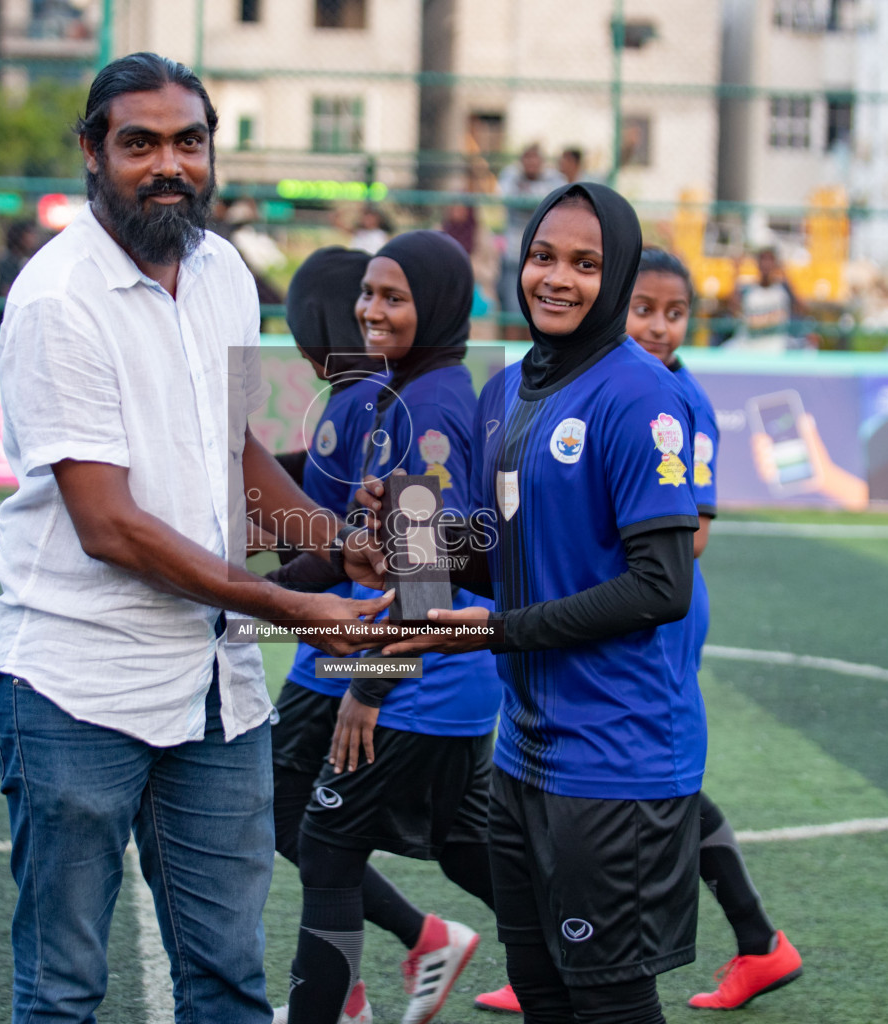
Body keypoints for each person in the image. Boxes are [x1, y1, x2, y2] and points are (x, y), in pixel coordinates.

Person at [0, 52, 392, 1024]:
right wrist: (289, 605)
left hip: (215, 699)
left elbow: (236, 446)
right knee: (65, 988)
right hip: (76, 688)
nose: (169, 164)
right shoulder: (55, 300)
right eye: (140, 144)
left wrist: (337, 542)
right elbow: (110, 525)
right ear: (93, 153)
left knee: (227, 983)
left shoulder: (223, 276)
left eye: (189, 142)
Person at [356, 183, 706, 1024]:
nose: (558, 278)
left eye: (586, 264)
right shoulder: (507, 389)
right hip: (525, 755)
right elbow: (506, 557)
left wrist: (500, 633)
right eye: (545, 257)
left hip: (616, 758)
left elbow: (663, 585)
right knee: (545, 995)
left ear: (614, 275)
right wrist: (405, 549)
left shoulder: (640, 395)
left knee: (612, 1003)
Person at [271, 233, 501, 1024]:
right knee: (465, 844)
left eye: (393, 298)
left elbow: (427, 576)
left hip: (415, 680)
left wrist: (367, 687)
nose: (371, 310)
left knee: (327, 846)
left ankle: (334, 1010)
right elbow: (379, 547)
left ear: (436, 307)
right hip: (418, 675)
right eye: (368, 293)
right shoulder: (404, 391)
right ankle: (585, 958)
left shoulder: (431, 408)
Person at [628, 247, 804, 1011]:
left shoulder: (680, 403)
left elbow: (690, 535)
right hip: (614, 599)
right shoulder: (601, 381)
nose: (660, 327)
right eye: (645, 309)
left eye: (674, 312)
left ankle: (759, 942)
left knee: (655, 778)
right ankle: (546, 956)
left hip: (653, 606)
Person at [496, 145, 565, 340]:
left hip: (544, 258)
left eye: (536, 160)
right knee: (512, 311)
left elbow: (556, 199)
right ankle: (513, 363)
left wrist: (529, 195)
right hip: (514, 256)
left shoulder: (553, 178)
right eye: (528, 159)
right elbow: (506, 194)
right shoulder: (510, 176)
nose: (532, 164)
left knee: (538, 310)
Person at [725, 247, 806, 353]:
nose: (766, 264)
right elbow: (733, 309)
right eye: (763, 260)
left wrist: (786, 274)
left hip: (777, 345)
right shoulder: (747, 289)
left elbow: (801, 309)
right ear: (757, 264)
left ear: (775, 264)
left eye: (770, 260)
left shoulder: (783, 289)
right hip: (748, 344)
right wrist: (736, 273)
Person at [0, 219, 38, 322]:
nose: (33, 238)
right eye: (29, 234)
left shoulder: (31, 260)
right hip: (6, 316)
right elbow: (6, 291)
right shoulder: (8, 261)